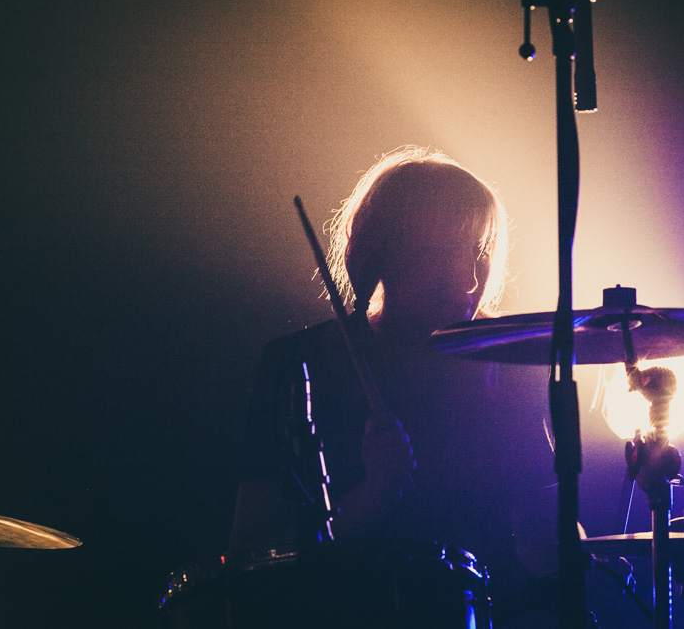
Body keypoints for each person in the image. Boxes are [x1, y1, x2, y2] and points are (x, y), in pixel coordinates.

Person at [228, 146, 559, 627]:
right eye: (447, 252)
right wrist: (367, 501)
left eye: (481, 252)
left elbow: (540, 539)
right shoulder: (300, 364)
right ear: (384, 255)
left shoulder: (508, 366)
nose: (472, 280)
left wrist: (627, 520)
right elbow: (249, 553)